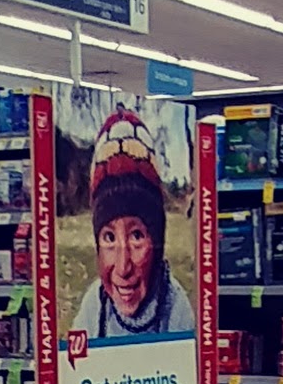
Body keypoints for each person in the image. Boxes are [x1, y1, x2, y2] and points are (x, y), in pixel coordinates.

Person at [73, 107, 195, 340]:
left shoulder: (175, 308)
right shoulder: (94, 306)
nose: (123, 268)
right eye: (109, 238)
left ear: (157, 243)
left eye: (137, 236)